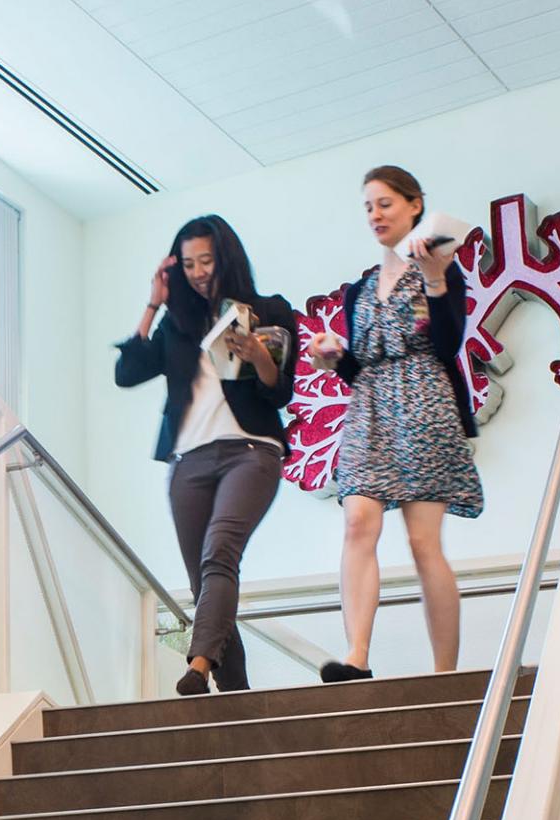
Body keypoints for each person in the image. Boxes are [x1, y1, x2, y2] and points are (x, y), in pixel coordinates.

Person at [307, 166, 482, 682]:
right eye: (367, 206)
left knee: (423, 543)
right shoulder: (359, 288)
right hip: (370, 408)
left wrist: (434, 280)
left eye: (384, 203)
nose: (375, 214)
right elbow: (358, 364)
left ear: (414, 205)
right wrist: (331, 359)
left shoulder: (443, 268)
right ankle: (356, 656)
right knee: (358, 520)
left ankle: (444, 672)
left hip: (425, 405)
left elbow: (449, 343)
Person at [115, 214, 298, 696]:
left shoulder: (268, 308)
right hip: (187, 463)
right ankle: (234, 695)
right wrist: (153, 304)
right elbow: (128, 372)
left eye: (207, 260)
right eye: (189, 263)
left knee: (220, 552)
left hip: (251, 452)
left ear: (227, 258)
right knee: (204, 583)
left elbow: (280, 393)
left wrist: (258, 355)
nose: (198, 271)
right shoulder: (177, 326)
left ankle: (196, 667)